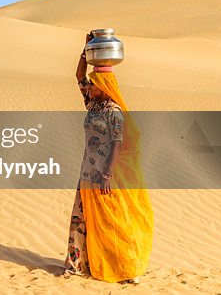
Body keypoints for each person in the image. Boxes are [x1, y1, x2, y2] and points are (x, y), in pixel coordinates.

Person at [62, 33, 154, 283]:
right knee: (82, 219)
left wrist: (107, 174)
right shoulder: (93, 106)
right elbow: (79, 76)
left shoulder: (114, 112)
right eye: (90, 85)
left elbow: (117, 144)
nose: (88, 87)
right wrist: (85, 50)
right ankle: (78, 265)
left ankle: (125, 267)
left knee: (113, 222)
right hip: (87, 173)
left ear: (104, 86)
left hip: (104, 174)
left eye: (93, 85)